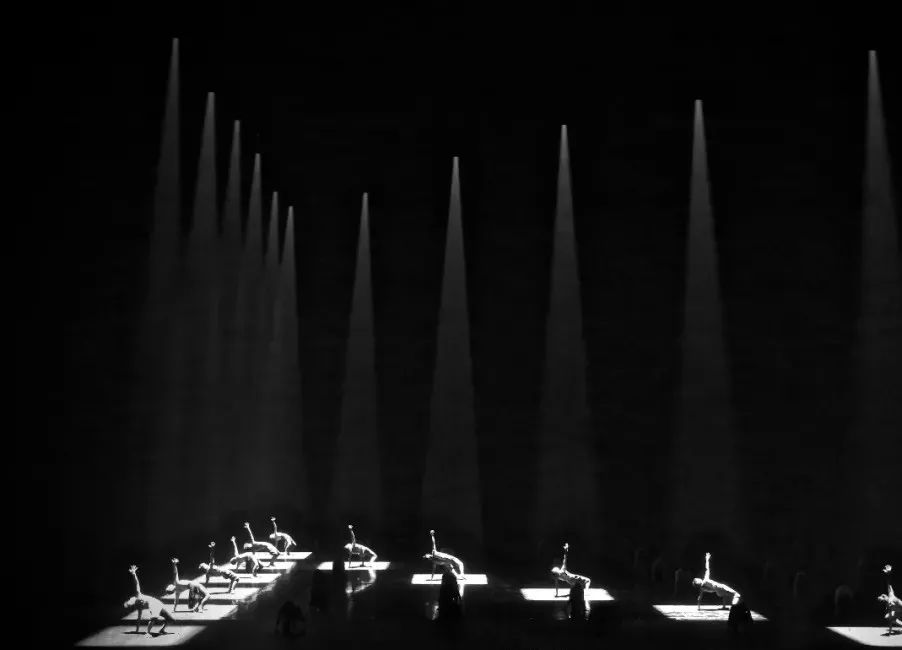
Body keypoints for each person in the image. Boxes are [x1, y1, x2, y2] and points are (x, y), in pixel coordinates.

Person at [122, 565, 174, 636]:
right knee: (154, 617)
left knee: (171, 619)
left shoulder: (138, 595)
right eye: (129, 604)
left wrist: (134, 574)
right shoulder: (138, 606)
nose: (130, 601)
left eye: (129, 601)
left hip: (156, 602)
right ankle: (148, 632)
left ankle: (162, 630)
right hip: (153, 604)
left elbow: (137, 583)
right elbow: (139, 619)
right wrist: (137, 630)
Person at [878, 565, 902, 634]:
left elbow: (889, 584)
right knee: (887, 617)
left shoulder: (891, 595)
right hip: (897, 611)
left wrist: (888, 574)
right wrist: (890, 632)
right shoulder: (888, 605)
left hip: (900, 607)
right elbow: (890, 620)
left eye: (883, 598)